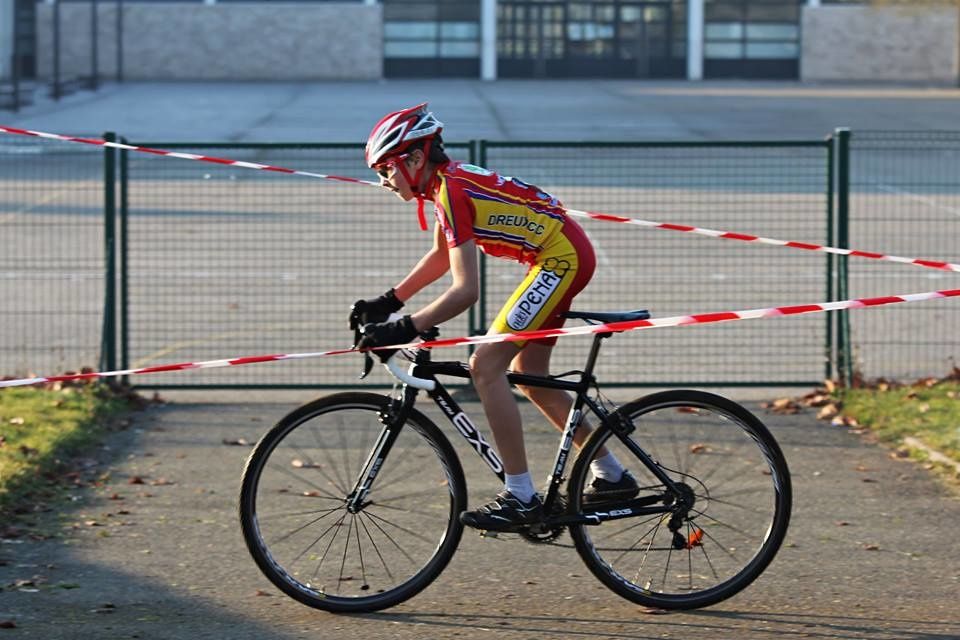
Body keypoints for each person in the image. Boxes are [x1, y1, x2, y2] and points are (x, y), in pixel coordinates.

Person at [350, 103, 638, 532]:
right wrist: (389, 301)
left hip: (561, 258)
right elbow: (440, 257)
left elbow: (466, 291)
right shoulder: (447, 186)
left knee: (486, 366)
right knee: (527, 375)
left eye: (386, 169)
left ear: (413, 159)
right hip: (561, 254)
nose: (383, 181)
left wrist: (403, 327)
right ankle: (612, 475)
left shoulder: (452, 190)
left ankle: (521, 496)